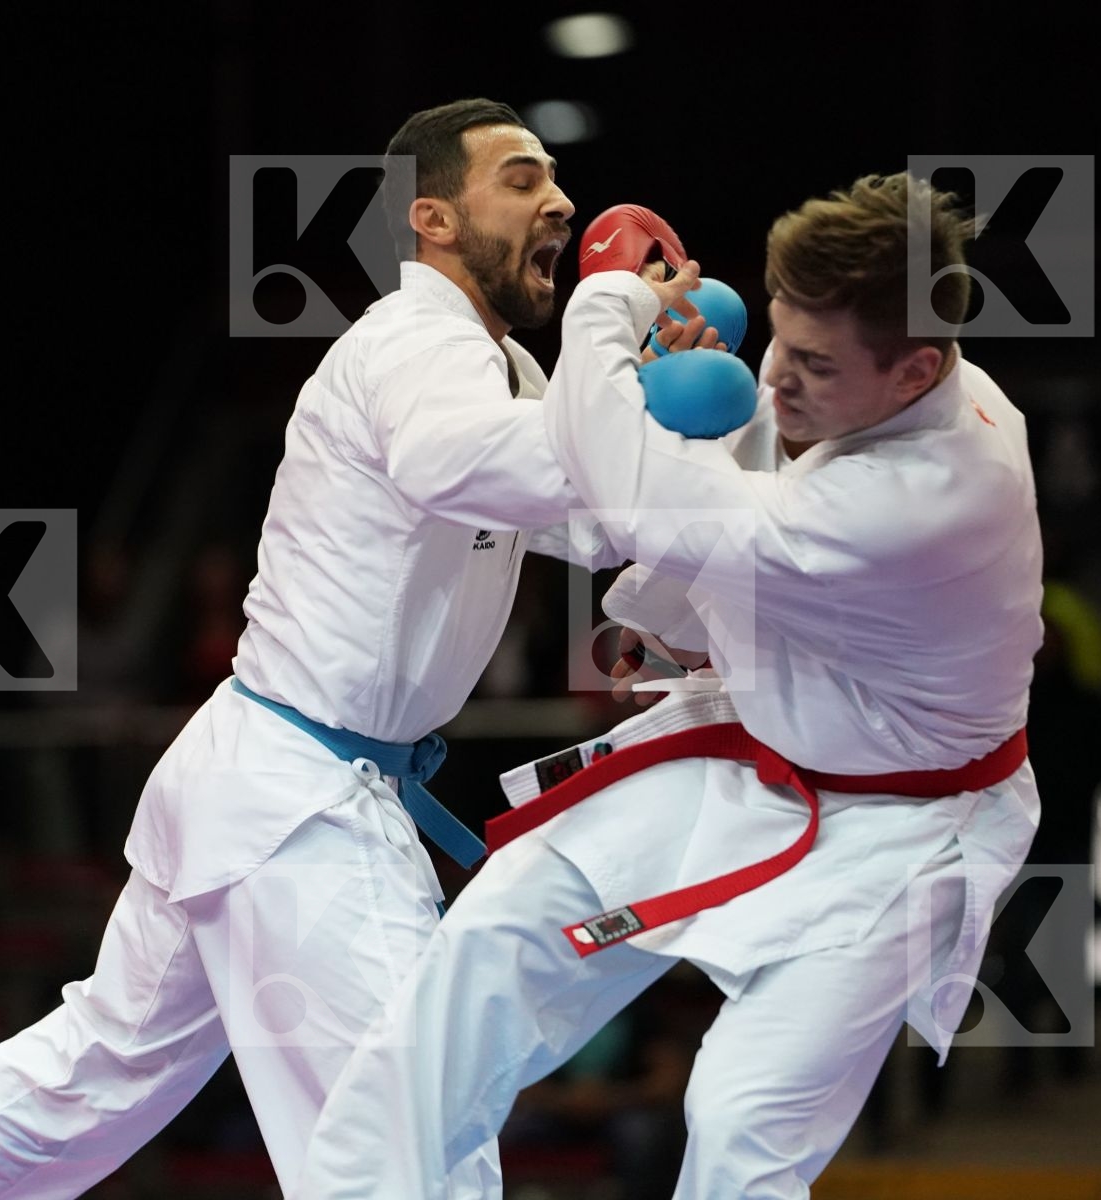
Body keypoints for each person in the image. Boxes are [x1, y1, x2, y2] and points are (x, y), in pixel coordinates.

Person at [0, 98, 714, 1200]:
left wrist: (678, 419)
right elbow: (467, 463)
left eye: (556, 178)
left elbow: (604, 518)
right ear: (433, 219)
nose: (564, 201)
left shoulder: (508, 378)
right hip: (303, 809)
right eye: (524, 178)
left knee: (80, 1085)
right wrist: (615, 340)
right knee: (410, 1140)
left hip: (265, 782)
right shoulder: (412, 347)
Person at [297, 173, 1045, 1199]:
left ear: (918, 370)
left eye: (816, 366)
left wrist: (607, 313)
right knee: (479, 953)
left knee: (740, 1125)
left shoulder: (932, 495)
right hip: (759, 748)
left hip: (900, 838)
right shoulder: (888, 388)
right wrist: (672, 600)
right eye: (779, 343)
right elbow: (748, 504)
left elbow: (641, 499)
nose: (778, 382)